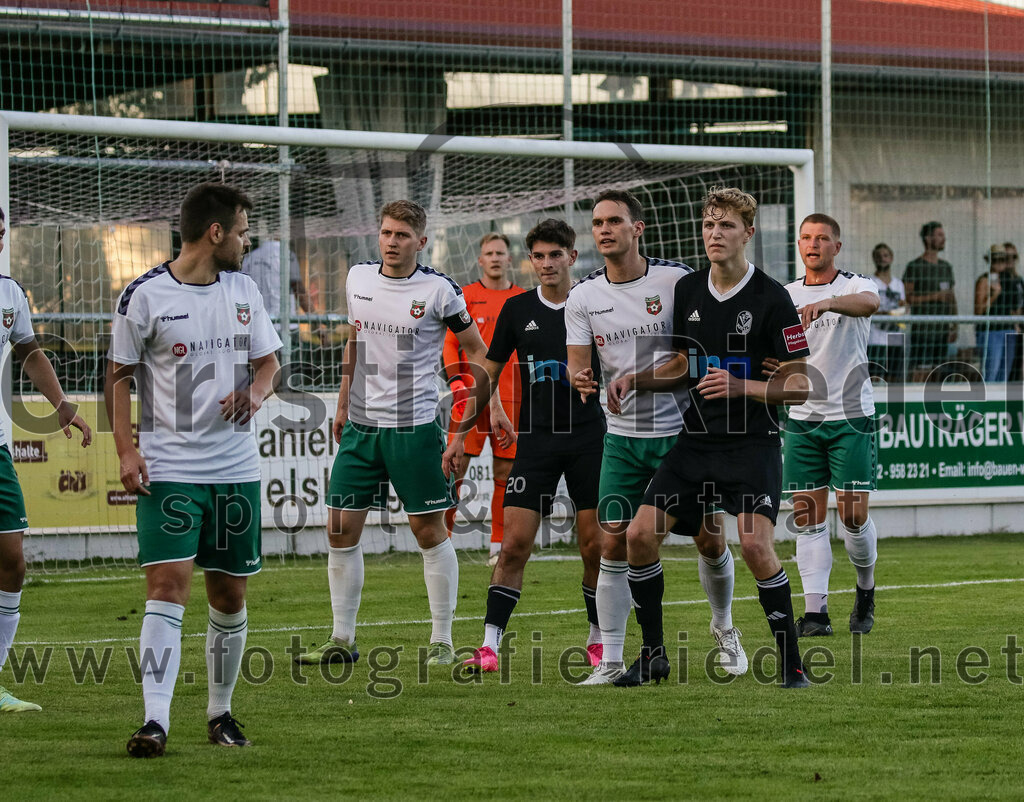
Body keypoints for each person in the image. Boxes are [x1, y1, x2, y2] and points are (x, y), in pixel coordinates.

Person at [105, 183, 282, 756]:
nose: (247, 241)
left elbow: (269, 363)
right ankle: (154, 722)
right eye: (243, 231)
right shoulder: (144, 295)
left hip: (234, 469)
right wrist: (126, 451)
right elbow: (118, 378)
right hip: (171, 468)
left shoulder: (244, 289)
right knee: (166, 586)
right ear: (215, 232)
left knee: (228, 595)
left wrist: (256, 393)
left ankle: (220, 713)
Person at [611, 187, 812, 688]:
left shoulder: (773, 297)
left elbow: (800, 384)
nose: (714, 234)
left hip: (752, 445)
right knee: (638, 536)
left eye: (725, 225)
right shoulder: (689, 290)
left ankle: (792, 666)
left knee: (755, 547)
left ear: (748, 232)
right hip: (696, 442)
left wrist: (743, 385)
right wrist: (636, 379)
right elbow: (685, 363)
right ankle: (653, 656)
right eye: (708, 225)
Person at [295, 200, 496, 669]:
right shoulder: (358, 279)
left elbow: (479, 352)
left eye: (402, 235)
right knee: (339, 528)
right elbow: (354, 341)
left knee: (428, 530)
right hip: (361, 428)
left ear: (420, 241)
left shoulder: (440, 290)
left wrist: (477, 416)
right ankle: (342, 639)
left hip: (414, 429)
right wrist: (342, 403)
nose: (392, 242)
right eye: (386, 233)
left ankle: (442, 640)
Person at [566, 189, 746, 686]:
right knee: (612, 543)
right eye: (598, 223)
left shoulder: (677, 282)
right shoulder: (582, 296)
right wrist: (582, 380)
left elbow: (691, 360)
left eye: (614, 221)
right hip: (622, 440)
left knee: (709, 537)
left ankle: (724, 628)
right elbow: (578, 365)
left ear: (637, 228)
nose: (604, 230)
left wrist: (637, 380)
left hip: (683, 435)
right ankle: (611, 660)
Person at [444, 219, 605, 672]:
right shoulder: (518, 310)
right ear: (529, 260)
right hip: (536, 444)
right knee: (513, 545)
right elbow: (487, 376)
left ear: (572, 257)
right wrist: (458, 435)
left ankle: (597, 639)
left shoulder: (596, 304)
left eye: (556, 254)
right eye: (539, 256)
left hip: (590, 441)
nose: (547, 263)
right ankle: (489, 646)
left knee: (594, 547)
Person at [0, 206, 92, 713]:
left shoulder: (10, 294)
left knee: (11, 560)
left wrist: (62, 405)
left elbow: (31, 352)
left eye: (0, 234)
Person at [781, 214, 881, 638]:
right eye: (806, 237)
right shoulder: (785, 295)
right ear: (799, 245)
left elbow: (871, 305)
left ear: (836, 246)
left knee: (854, 517)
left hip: (851, 416)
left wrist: (827, 303)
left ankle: (865, 588)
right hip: (803, 419)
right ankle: (816, 614)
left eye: (822, 238)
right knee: (808, 518)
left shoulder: (856, 285)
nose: (813, 244)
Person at [442, 233, 522, 562]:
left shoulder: (522, 299)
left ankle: (498, 547)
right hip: (470, 400)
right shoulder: (465, 296)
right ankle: (442, 544)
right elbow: (450, 344)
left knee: (505, 474)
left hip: (511, 400)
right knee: (453, 469)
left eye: (500, 253)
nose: (495, 258)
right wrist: (457, 384)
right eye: (489, 253)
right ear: (480, 260)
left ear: (509, 259)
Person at [904, 221, 957, 376]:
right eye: (939, 235)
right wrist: (935, 296)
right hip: (923, 331)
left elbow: (952, 298)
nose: (944, 239)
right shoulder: (915, 266)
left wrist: (955, 325)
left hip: (942, 331)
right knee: (921, 372)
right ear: (928, 238)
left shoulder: (946, 267)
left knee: (940, 373)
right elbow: (907, 298)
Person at [240, 237, 312, 335]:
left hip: (261, 326)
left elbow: (244, 291)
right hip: (286, 326)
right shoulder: (287, 255)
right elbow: (299, 290)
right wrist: (317, 322)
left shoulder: (250, 257)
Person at [974, 244, 1023, 383]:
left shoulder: (1010, 280)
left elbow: (1014, 308)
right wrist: (994, 294)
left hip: (1008, 330)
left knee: (1004, 376)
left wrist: (1016, 325)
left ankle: (999, 398)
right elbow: (978, 311)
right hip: (991, 332)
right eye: (995, 260)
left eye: (1003, 259)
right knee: (991, 374)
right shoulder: (984, 280)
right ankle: (987, 397)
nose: (1000, 263)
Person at [866, 243, 907, 382]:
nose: (882, 259)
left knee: (894, 377)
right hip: (876, 338)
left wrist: (904, 308)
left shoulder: (898, 284)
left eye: (885, 255)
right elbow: (868, 309)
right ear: (874, 259)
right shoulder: (870, 282)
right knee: (874, 376)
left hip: (895, 337)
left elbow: (902, 306)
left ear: (891, 258)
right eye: (878, 256)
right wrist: (886, 314)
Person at [1003, 242, 1024, 382]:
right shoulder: (1002, 279)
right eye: (1007, 257)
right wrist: (1014, 322)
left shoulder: (1018, 280)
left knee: (1018, 365)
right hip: (1009, 327)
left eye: (1013, 257)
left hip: (1020, 327)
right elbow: (1005, 304)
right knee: (1007, 367)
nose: (1010, 260)